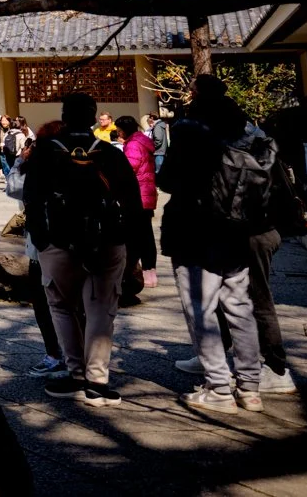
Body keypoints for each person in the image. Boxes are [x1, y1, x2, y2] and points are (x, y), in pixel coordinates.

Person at [160, 74, 287, 416]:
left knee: (201, 311)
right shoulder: (246, 129)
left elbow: (167, 179)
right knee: (239, 305)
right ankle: (250, 387)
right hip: (238, 228)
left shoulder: (189, 128)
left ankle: (218, 387)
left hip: (194, 229)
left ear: (195, 94)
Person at [23, 91, 144, 407]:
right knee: (101, 309)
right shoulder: (109, 153)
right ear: (94, 118)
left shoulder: (45, 152)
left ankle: (75, 372)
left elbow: (31, 198)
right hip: (107, 239)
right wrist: (138, 247)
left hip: (58, 240)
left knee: (62, 305)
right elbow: (132, 201)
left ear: (64, 116)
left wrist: (40, 238)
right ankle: (97, 380)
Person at [7, 126, 69, 378]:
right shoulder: (82, 163)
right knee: (75, 306)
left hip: (42, 247)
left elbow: (14, 188)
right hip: (78, 246)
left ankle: (55, 355)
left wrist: (20, 161)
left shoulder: (35, 170)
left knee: (46, 305)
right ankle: (80, 359)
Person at [117, 115, 159, 289]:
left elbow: (128, 168)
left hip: (137, 195)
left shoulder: (133, 144)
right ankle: (150, 273)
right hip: (147, 193)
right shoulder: (142, 141)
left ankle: (135, 273)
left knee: (134, 236)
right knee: (146, 235)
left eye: (119, 129)